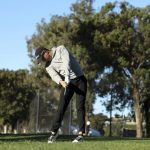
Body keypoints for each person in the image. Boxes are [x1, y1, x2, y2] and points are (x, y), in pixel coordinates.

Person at [35, 45, 87, 143]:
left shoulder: (61, 49)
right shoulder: (47, 66)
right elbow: (53, 75)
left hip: (80, 80)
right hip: (67, 83)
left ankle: (80, 135)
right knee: (61, 107)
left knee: (80, 107)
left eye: (42, 58)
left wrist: (66, 76)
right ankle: (54, 133)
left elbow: (66, 63)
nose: (42, 61)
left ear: (46, 52)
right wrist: (61, 82)